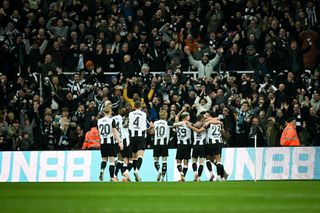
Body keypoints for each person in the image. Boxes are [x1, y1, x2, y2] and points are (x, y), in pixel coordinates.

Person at [98, 106, 123, 182]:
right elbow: (115, 132)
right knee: (112, 161)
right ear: (110, 111)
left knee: (104, 159)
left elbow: (99, 133)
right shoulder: (111, 120)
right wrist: (120, 142)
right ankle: (112, 177)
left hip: (102, 142)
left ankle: (102, 170)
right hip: (110, 142)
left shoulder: (99, 121)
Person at [128, 101, 149, 182]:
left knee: (134, 157)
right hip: (141, 136)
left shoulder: (130, 114)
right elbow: (150, 125)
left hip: (132, 137)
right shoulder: (144, 114)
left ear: (134, 106)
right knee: (140, 156)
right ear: (140, 106)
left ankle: (136, 176)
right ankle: (136, 170)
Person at [112, 108, 132, 182]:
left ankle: (115, 176)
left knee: (120, 159)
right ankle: (125, 174)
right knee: (129, 161)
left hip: (116, 141)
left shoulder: (113, 118)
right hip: (124, 141)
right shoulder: (124, 119)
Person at [186, 113, 206, 182]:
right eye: (203, 117)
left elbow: (195, 127)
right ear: (201, 119)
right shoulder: (205, 124)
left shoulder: (193, 124)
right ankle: (198, 177)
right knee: (201, 162)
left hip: (195, 146)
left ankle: (195, 174)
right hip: (202, 146)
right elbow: (199, 130)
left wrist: (190, 126)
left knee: (194, 161)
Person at [173, 112, 192, 182]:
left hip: (180, 145)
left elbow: (176, 118)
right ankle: (183, 176)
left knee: (178, 162)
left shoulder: (177, 124)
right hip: (187, 145)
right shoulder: (189, 124)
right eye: (188, 116)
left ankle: (181, 172)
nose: (189, 117)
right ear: (186, 117)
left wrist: (181, 111)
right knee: (186, 162)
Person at [153, 110, 171, 182]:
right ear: (166, 115)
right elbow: (175, 125)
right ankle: (163, 177)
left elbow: (152, 131)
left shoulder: (155, 123)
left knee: (155, 160)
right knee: (164, 161)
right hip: (164, 144)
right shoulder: (168, 123)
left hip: (156, 144)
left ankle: (159, 170)